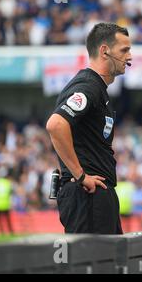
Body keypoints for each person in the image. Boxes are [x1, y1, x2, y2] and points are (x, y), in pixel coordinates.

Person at [46, 22, 132, 234]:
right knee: (93, 265)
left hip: (96, 196)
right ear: (105, 51)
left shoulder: (98, 89)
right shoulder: (88, 86)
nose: (129, 57)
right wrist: (81, 175)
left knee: (110, 263)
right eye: (124, 50)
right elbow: (56, 125)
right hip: (87, 195)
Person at [0, 168, 14, 235]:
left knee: (0, 219)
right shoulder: (7, 183)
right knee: (7, 219)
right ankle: (10, 231)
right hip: (6, 204)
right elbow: (10, 193)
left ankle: (2, 231)